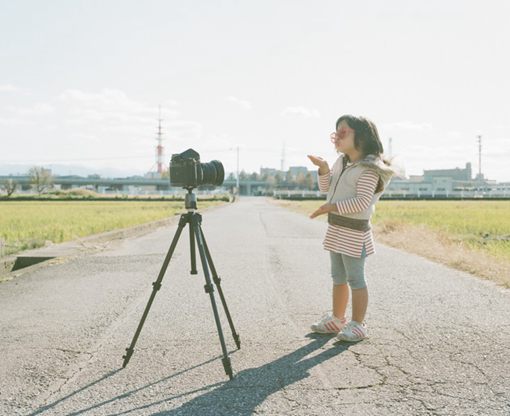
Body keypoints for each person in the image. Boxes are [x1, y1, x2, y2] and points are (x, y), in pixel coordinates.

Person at [307, 115, 395, 342]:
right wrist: (324, 168)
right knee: (338, 276)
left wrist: (330, 207)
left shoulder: (369, 169)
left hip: (355, 232)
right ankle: (337, 319)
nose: (337, 136)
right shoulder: (342, 162)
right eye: (336, 132)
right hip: (337, 229)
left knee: (355, 279)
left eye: (343, 132)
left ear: (362, 137)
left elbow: (361, 203)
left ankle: (357, 324)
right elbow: (326, 188)